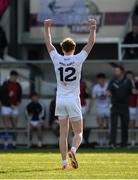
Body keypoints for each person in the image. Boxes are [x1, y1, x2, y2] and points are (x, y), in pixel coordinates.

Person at [44, 19, 96, 169]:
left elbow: (49, 44)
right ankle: (73, 150)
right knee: (79, 132)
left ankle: (64, 163)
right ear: (74, 48)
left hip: (60, 99)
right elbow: (90, 44)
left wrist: (46, 27)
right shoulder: (78, 58)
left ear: (62, 48)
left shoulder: (57, 58)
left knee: (63, 133)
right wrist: (92, 28)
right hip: (73, 99)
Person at [106, 65, 136, 148]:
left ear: (122, 72)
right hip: (114, 106)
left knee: (125, 125)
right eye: (115, 71)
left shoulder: (128, 81)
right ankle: (112, 143)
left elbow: (133, 92)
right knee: (113, 125)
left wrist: (134, 90)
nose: (115, 72)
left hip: (125, 106)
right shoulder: (112, 81)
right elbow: (108, 90)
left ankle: (124, 143)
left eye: (117, 71)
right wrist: (107, 92)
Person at [1, 70, 22, 147]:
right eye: (13, 77)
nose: (15, 78)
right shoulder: (5, 84)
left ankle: (14, 142)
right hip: (6, 107)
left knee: (14, 125)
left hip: (14, 106)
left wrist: (18, 102)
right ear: (11, 76)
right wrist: (8, 97)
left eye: (16, 77)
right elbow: (2, 96)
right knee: (6, 126)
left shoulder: (18, 85)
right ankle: (6, 142)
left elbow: (20, 95)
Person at [92, 73, 110, 147]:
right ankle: (100, 141)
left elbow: (111, 94)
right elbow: (93, 98)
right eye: (99, 80)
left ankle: (107, 141)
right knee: (100, 126)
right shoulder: (95, 87)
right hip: (99, 108)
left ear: (104, 80)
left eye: (102, 80)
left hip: (107, 108)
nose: (100, 81)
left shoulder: (107, 86)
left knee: (107, 126)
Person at [126, 71, 138, 147]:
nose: (129, 77)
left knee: (133, 125)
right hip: (128, 107)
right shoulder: (124, 84)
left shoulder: (136, 83)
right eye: (128, 76)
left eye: (130, 76)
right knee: (130, 125)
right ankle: (131, 141)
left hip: (135, 106)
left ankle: (133, 141)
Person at [80, 79, 90, 145]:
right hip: (73, 105)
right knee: (73, 124)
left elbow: (87, 94)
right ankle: (74, 139)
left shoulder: (83, 84)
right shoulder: (70, 82)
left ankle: (82, 139)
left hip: (82, 105)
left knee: (82, 123)